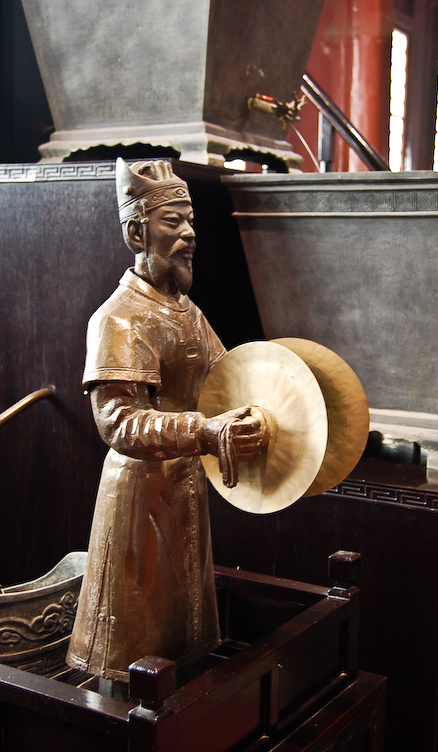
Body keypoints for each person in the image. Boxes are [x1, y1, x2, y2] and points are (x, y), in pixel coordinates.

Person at [66, 158, 267, 685]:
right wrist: (204, 430)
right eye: (172, 222)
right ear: (137, 233)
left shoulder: (189, 313)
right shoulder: (118, 318)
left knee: (184, 640)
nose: (189, 234)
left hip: (185, 486)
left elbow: (229, 379)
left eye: (190, 221)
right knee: (132, 649)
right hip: (139, 497)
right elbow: (118, 423)